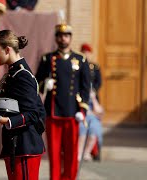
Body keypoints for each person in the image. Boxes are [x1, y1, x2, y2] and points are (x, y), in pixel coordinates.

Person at [0, 30, 46, 180]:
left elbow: (33, 113)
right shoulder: (12, 74)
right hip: (14, 144)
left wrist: (5, 121)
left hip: (25, 144)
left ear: (7, 49)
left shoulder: (22, 75)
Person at [35, 23, 91, 180]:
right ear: (56, 38)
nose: (63, 38)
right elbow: (36, 82)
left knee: (71, 152)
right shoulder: (48, 58)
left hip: (73, 112)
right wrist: (45, 83)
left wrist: (83, 111)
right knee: (54, 152)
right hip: (53, 112)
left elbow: (86, 88)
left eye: (66, 35)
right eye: (60, 36)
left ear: (70, 38)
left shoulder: (81, 59)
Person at [78, 43, 103, 161]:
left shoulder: (94, 67)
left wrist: (93, 91)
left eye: (87, 52)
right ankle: (80, 153)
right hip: (82, 97)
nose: (85, 54)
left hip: (92, 97)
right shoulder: (78, 65)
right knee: (82, 128)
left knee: (94, 128)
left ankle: (90, 152)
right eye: (84, 52)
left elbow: (99, 82)